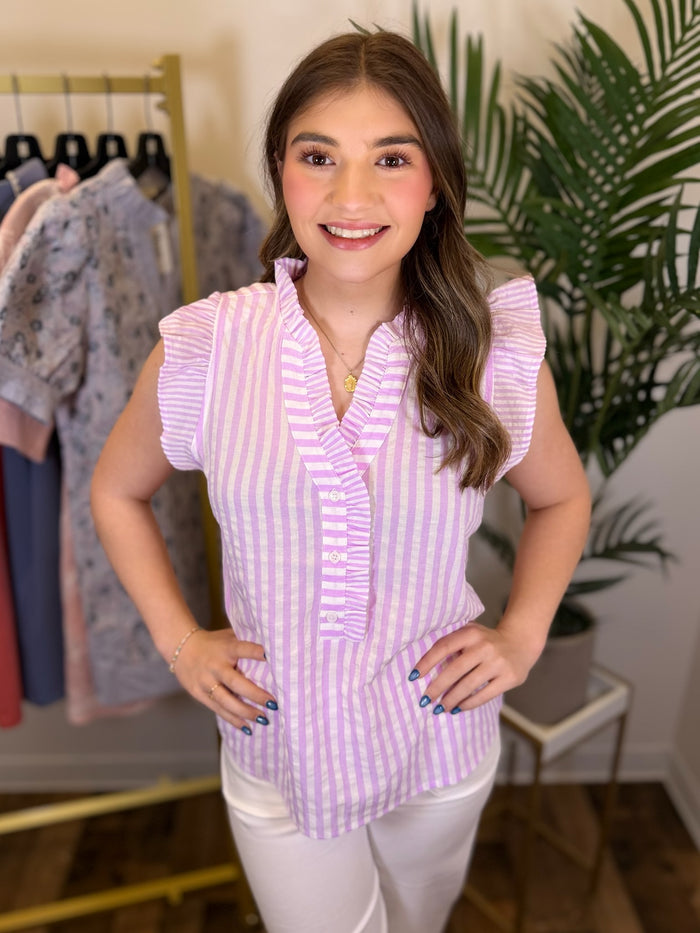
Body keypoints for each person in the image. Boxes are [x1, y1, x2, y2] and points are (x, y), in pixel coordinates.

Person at [91, 29, 591, 933]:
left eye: (390, 159)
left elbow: (561, 497)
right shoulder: (207, 348)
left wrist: (520, 633)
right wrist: (180, 642)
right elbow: (114, 491)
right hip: (279, 751)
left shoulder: (493, 352)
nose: (351, 196)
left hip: (438, 742)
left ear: (434, 182)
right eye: (318, 156)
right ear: (281, 169)